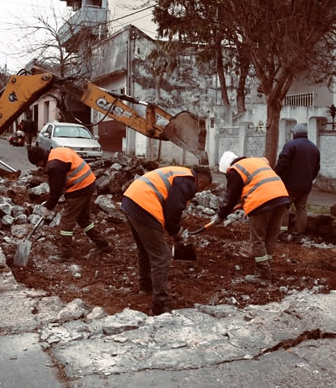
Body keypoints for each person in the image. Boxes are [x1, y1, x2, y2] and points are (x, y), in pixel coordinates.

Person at [121, 165, 212, 316]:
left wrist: (172, 230)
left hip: (131, 199)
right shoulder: (189, 181)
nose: (199, 191)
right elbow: (173, 209)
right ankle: (159, 305)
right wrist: (176, 233)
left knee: (144, 248)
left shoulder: (179, 173)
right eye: (202, 188)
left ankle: (145, 287)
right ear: (201, 181)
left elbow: (169, 206)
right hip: (144, 204)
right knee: (162, 256)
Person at [212, 151, 290, 286]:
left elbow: (231, 197)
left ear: (227, 168)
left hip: (263, 202)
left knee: (257, 239)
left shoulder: (235, 170)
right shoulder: (255, 162)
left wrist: (220, 215)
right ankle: (266, 266)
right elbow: (256, 184)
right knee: (270, 236)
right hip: (281, 198)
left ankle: (264, 275)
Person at [27, 146, 109, 262]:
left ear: (41, 159)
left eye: (37, 164)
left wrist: (49, 207)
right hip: (88, 183)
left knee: (66, 221)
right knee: (83, 219)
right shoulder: (56, 152)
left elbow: (56, 191)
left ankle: (65, 254)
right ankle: (103, 243)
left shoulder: (54, 166)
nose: (38, 167)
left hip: (79, 188)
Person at [274, 123, 321, 239]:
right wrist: (310, 179)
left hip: (289, 185)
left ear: (295, 134)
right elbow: (317, 167)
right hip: (306, 186)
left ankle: (282, 231)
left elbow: (282, 163)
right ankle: (299, 232)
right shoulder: (314, 148)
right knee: (302, 208)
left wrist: (275, 175)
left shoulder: (290, 145)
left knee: (284, 207)